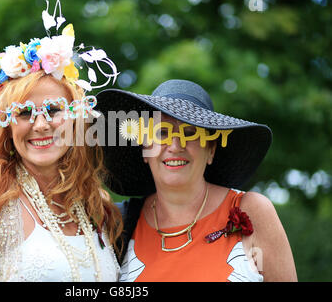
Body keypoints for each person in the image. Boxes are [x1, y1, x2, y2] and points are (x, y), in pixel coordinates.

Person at [0, 0, 122, 282]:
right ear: (7, 127)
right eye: (24, 113)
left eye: (53, 110)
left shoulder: (95, 203)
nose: (41, 125)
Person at [95, 79, 297, 282]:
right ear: (145, 149)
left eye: (190, 133)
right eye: (162, 132)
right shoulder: (118, 225)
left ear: (211, 150)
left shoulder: (251, 210)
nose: (175, 146)